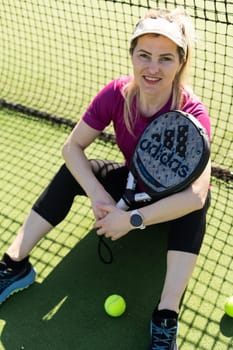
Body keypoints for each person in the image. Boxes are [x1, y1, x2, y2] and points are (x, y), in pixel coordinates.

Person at [0, 8, 211, 350]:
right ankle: (14, 264)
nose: (152, 68)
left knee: (195, 209)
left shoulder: (192, 113)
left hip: (172, 203)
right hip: (134, 181)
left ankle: (166, 314)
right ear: (132, 56)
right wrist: (99, 196)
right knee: (75, 172)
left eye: (165, 59)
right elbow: (72, 148)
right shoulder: (117, 94)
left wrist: (131, 219)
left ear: (180, 63)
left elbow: (195, 195)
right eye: (144, 55)